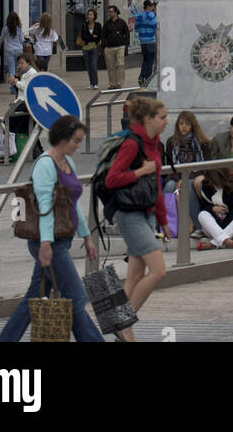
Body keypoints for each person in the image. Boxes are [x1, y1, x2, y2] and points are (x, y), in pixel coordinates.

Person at [0, 115, 103, 343]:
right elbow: (44, 207)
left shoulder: (67, 161)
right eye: (75, 140)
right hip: (50, 242)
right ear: (62, 138)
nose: (78, 145)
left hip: (61, 238)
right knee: (75, 295)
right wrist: (45, 244)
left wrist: (86, 237)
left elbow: (72, 204)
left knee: (35, 296)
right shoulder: (46, 164)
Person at [104, 96, 171, 341]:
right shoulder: (133, 144)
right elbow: (113, 179)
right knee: (158, 270)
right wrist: (141, 171)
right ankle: (123, 322)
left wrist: (163, 219)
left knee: (134, 276)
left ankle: (123, 332)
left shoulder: (155, 143)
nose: (166, 121)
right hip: (130, 213)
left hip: (147, 213)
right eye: (162, 117)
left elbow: (157, 186)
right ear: (148, 119)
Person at [196, 168, 233, 248]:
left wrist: (223, 228)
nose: (216, 186)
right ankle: (226, 241)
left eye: (218, 183)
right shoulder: (206, 185)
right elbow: (203, 207)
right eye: (214, 183)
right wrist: (212, 209)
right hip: (214, 228)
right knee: (202, 214)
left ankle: (212, 244)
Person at [131, 0, 158, 87]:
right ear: (149, 6)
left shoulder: (138, 16)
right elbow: (155, 27)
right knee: (150, 61)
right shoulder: (151, 15)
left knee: (145, 60)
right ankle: (148, 79)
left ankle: (141, 76)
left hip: (143, 41)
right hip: (151, 40)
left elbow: (137, 29)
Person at [102, 4, 130, 88]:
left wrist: (126, 45)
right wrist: (104, 46)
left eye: (111, 12)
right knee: (111, 67)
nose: (109, 13)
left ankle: (120, 83)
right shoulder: (107, 24)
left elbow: (127, 34)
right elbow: (103, 35)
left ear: (115, 12)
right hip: (109, 48)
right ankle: (112, 84)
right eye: (109, 12)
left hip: (120, 46)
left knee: (120, 64)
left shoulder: (122, 22)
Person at [0, 12, 26, 82]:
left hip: (9, 49)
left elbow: (1, 38)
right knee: (18, 68)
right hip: (19, 49)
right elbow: (22, 40)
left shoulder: (5, 28)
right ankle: (17, 84)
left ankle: (12, 87)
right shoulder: (19, 28)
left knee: (11, 69)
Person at [78, 8, 102, 88]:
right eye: (88, 14)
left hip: (94, 47)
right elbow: (83, 36)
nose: (89, 16)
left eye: (91, 14)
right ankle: (91, 83)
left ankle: (95, 83)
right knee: (88, 66)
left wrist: (92, 37)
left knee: (94, 65)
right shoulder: (84, 25)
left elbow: (98, 36)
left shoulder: (98, 25)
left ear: (94, 16)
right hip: (86, 48)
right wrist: (92, 36)